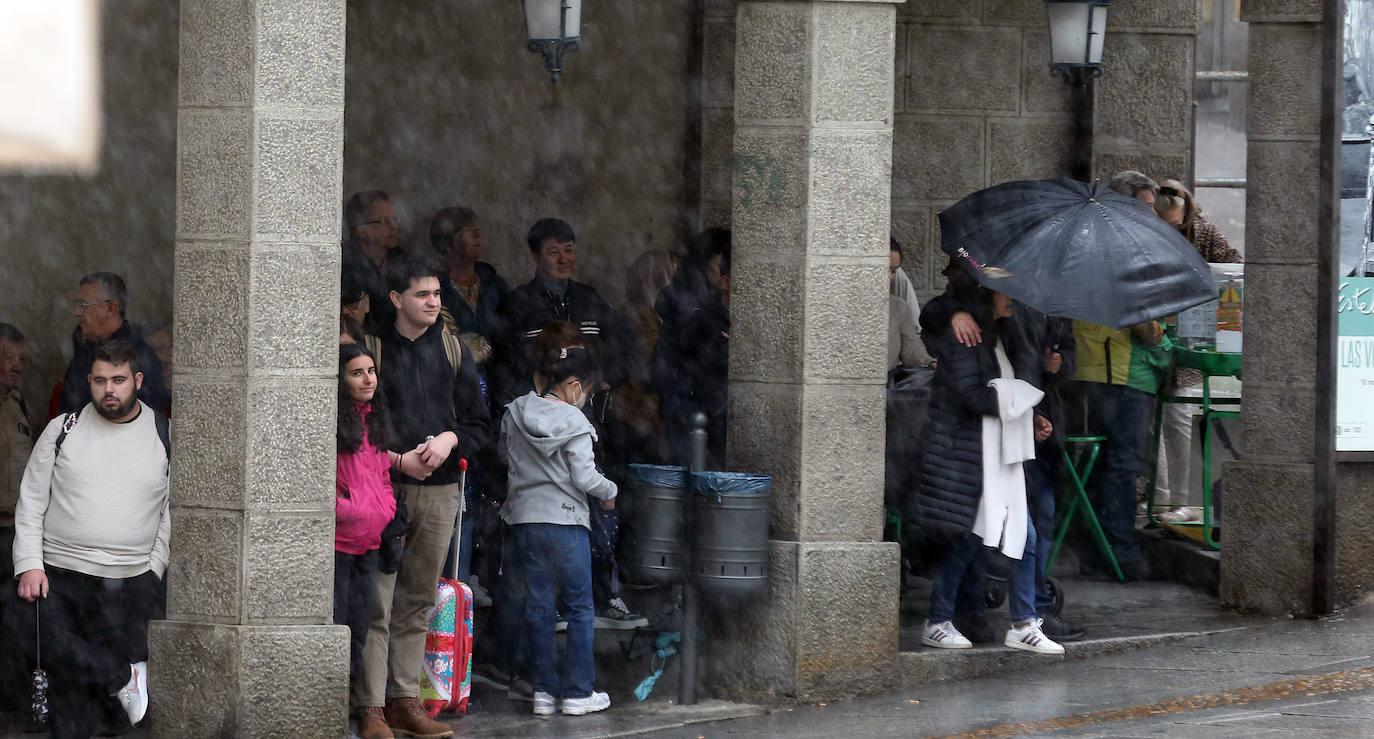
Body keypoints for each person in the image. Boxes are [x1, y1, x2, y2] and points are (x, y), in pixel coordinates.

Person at [353, 254, 491, 739]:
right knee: (376, 601)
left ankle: (405, 700)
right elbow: (351, 427)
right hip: (383, 490)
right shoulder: (370, 350)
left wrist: (450, 440)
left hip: (441, 490)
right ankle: (370, 706)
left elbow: (479, 425)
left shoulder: (453, 350)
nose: (434, 302)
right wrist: (396, 460)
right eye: (423, 295)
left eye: (436, 293)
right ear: (396, 300)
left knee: (416, 603)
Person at [7, 339, 170, 738]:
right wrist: (29, 563)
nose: (108, 390)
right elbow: (31, 500)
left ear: (138, 380)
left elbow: (174, 509)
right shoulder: (63, 430)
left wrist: (155, 565)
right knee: (47, 648)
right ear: (89, 381)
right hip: (59, 573)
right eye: (100, 380)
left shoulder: (165, 434)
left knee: (105, 710)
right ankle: (122, 676)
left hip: (129, 581)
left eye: (118, 380)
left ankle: (118, 679)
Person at [907, 287, 1063, 656]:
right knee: (970, 539)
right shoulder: (965, 335)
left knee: (1018, 535)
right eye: (1004, 292)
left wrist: (1033, 416)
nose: (1012, 298)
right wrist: (1022, 406)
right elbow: (974, 396)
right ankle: (940, 619)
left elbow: (1006, 394)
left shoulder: (1006, 338)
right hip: (970, 459)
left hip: (998, 458)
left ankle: (1022, 622)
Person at [500, 341, 617, 717]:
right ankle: (580, 692)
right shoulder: (575, 421)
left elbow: (506, 458)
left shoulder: (515, 411)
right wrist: (610, 491)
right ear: (574, 385)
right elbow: (584, 476)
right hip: (566, 523)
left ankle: (544, 692)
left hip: (525, 521)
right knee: (580, 608)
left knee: (539, 607)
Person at [1149, 180, 1242, 523]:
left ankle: (1183, 500)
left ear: (1187, 212)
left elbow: (1234, 265)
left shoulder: (1204, 231)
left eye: (1175, 224)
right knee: (1155, 421)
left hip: (1192, 332)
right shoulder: (1150, 233)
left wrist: (1205, 287)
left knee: (1178, 419)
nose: (1170, 229)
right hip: (1156, 334)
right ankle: (1160, 498)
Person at [490, 218, 635, 410]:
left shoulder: (589, 298)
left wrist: (608, 379)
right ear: (536, 256)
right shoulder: (516, 303)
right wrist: (530, 399)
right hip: (537, 413)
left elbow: (625, 340)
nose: (564, 258)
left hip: (587, 410)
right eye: (553, 252)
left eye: (568, 249)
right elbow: (502, 364)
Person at [335, 343, 397, 701]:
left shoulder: (375, 416)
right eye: (357, 372)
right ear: (341, 379)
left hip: (370, 541)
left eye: (371, 371)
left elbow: (383, 476)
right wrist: (349, 510)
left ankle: (345, 704)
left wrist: (384, 507)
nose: (367, 379)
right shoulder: (333, 420)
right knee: (338, 626)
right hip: (340, 544)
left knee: (359, 629)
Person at [650, 228, 731, 467]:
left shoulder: (705, 303)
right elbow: (690, 356)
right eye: (718, 267)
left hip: (696, 405)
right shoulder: (692, 307)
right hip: (687, 403)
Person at [60, 272, 169, 416]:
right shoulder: (85, 351)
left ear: (110, 309)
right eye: (78, 305)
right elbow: (68, 412)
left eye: (84, 305)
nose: (78, 312)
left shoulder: (139, 356)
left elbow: (144, 423)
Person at [0, 323, 32, 708]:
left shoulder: (16, 401)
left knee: (15, 619)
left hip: (11, 530)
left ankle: (14, 696)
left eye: (21, 359)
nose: (17, 366)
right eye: (8, 357)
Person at [430, 206, 509, 338]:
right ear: (447, 242)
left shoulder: (495, 285)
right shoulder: (434, 290)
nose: (477, 235)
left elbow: (512, 332)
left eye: (477, 230)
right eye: (467, 231)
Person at [342, 190, 405, 333]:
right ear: (361, 230)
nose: (393, 226)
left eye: (394, 219)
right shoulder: (344, 264)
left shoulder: (404, 261)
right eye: (384, 221)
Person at [889, 239, 934, 373]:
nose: (891, 277)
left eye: (894, 271)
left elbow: (911, 348)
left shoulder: (899, 307)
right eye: (887, 269)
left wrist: (930, 362)